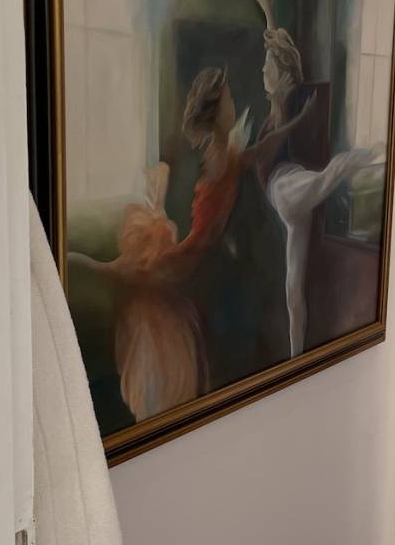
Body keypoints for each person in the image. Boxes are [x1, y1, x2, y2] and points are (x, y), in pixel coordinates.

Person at [72, 65, 311, 419]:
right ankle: (84, 266)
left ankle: (88, 267)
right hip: (196, 252)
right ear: (216, 111)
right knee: (139, 277)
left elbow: (261, 150)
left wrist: (297, 121)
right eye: (227, 100)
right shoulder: (220, 157)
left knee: (142, 280)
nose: (233, 104)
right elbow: (211, 226)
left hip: (206, 253)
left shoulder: (225, 150)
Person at [251, 0, 381, 357]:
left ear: (282, 79)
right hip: (291, 207)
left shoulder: (282, 107)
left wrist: (274, 34)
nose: (262, 71)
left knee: (327, 176)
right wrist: (270, 16)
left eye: (267, 69)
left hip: (285, 188)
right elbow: (277, 54)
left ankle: (368, 155)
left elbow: (280, 62)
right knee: (293, 292)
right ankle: (297, 355)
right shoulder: (278, 99)